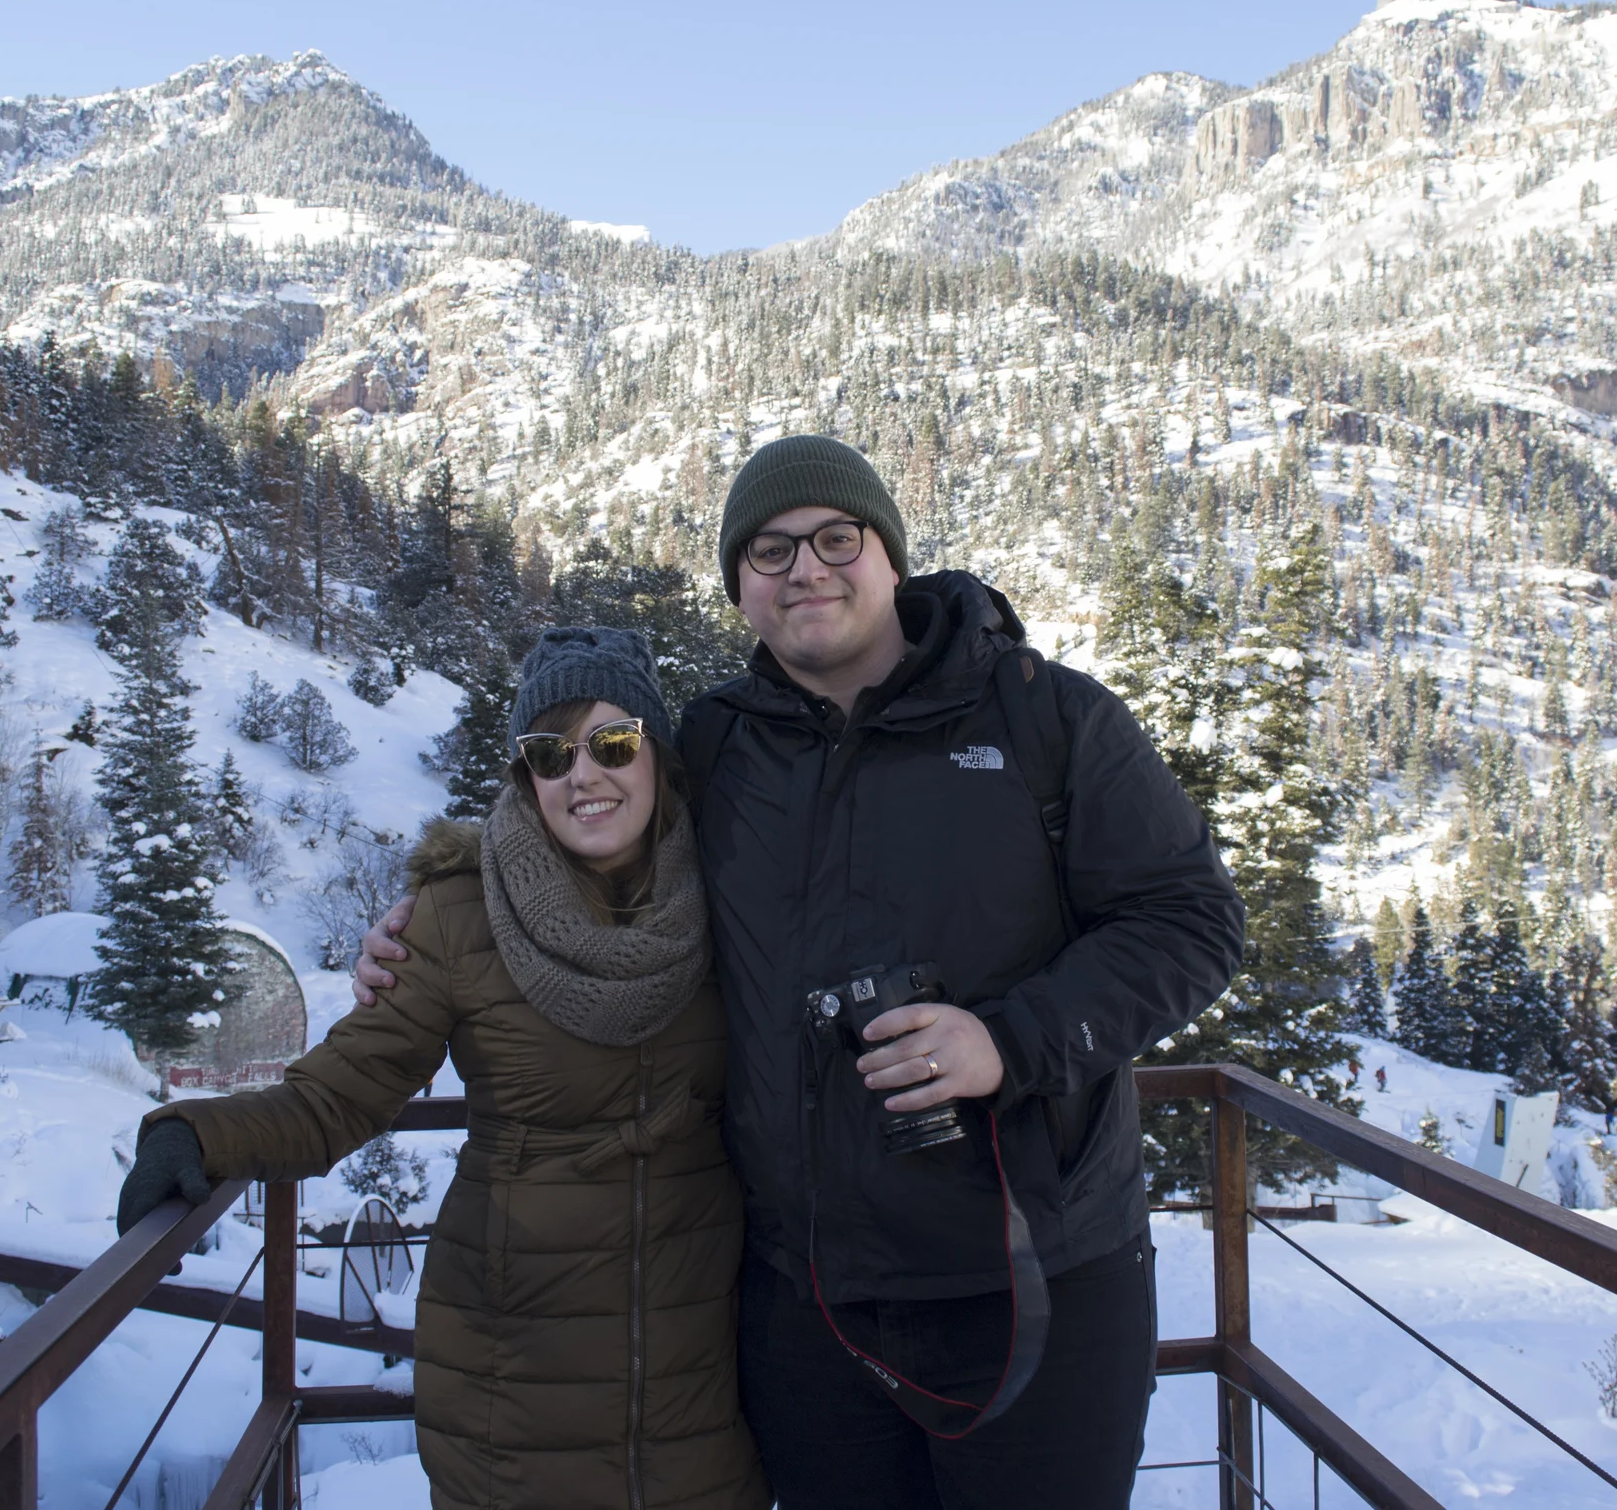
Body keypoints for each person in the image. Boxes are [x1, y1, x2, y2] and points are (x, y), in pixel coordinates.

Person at [360, 436, 1244, 1510]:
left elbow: (1191, 920)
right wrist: (434, 920)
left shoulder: (1046, 719)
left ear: (889, 557)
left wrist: (1008, 1040)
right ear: (738, 586)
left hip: (1037, 1274)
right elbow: (582, 846)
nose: (805, 568)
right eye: (769, 550)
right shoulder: (718, 747)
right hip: (802, 1297)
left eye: (836, 537)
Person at [117, 627, 766, 1510]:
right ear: (523, 776)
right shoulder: (459, 917)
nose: (585, 775)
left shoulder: (735, 892)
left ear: (659, 754)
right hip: (512, 1377)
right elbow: (340, 1092)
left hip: (699, 1374)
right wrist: (199, 1129)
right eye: (550, 753)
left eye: (614, 743)